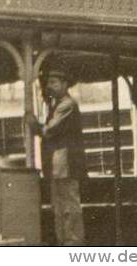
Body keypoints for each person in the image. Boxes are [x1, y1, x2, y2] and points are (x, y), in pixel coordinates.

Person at [27, 67, 86, 246]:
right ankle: (64, 242)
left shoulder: (66, 105)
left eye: (54, 83)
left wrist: (34, 124)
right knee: (59, 208)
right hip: (58, 167)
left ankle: (74, 243)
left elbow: (49, 130)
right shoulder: (57, 105)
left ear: (65, 84)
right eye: (49, 83)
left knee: (69, 207)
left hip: (65, 166)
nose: (50, 86)